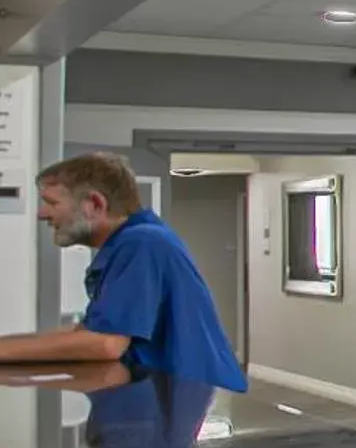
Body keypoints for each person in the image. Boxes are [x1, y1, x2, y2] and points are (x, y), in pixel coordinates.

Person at [0, 153, 247, 391]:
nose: (42, 214)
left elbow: (105, 344)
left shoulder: (141, 243)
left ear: (95, 204)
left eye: (52, 203)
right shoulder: (131, 242)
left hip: (183, 398)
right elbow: (90, 331)